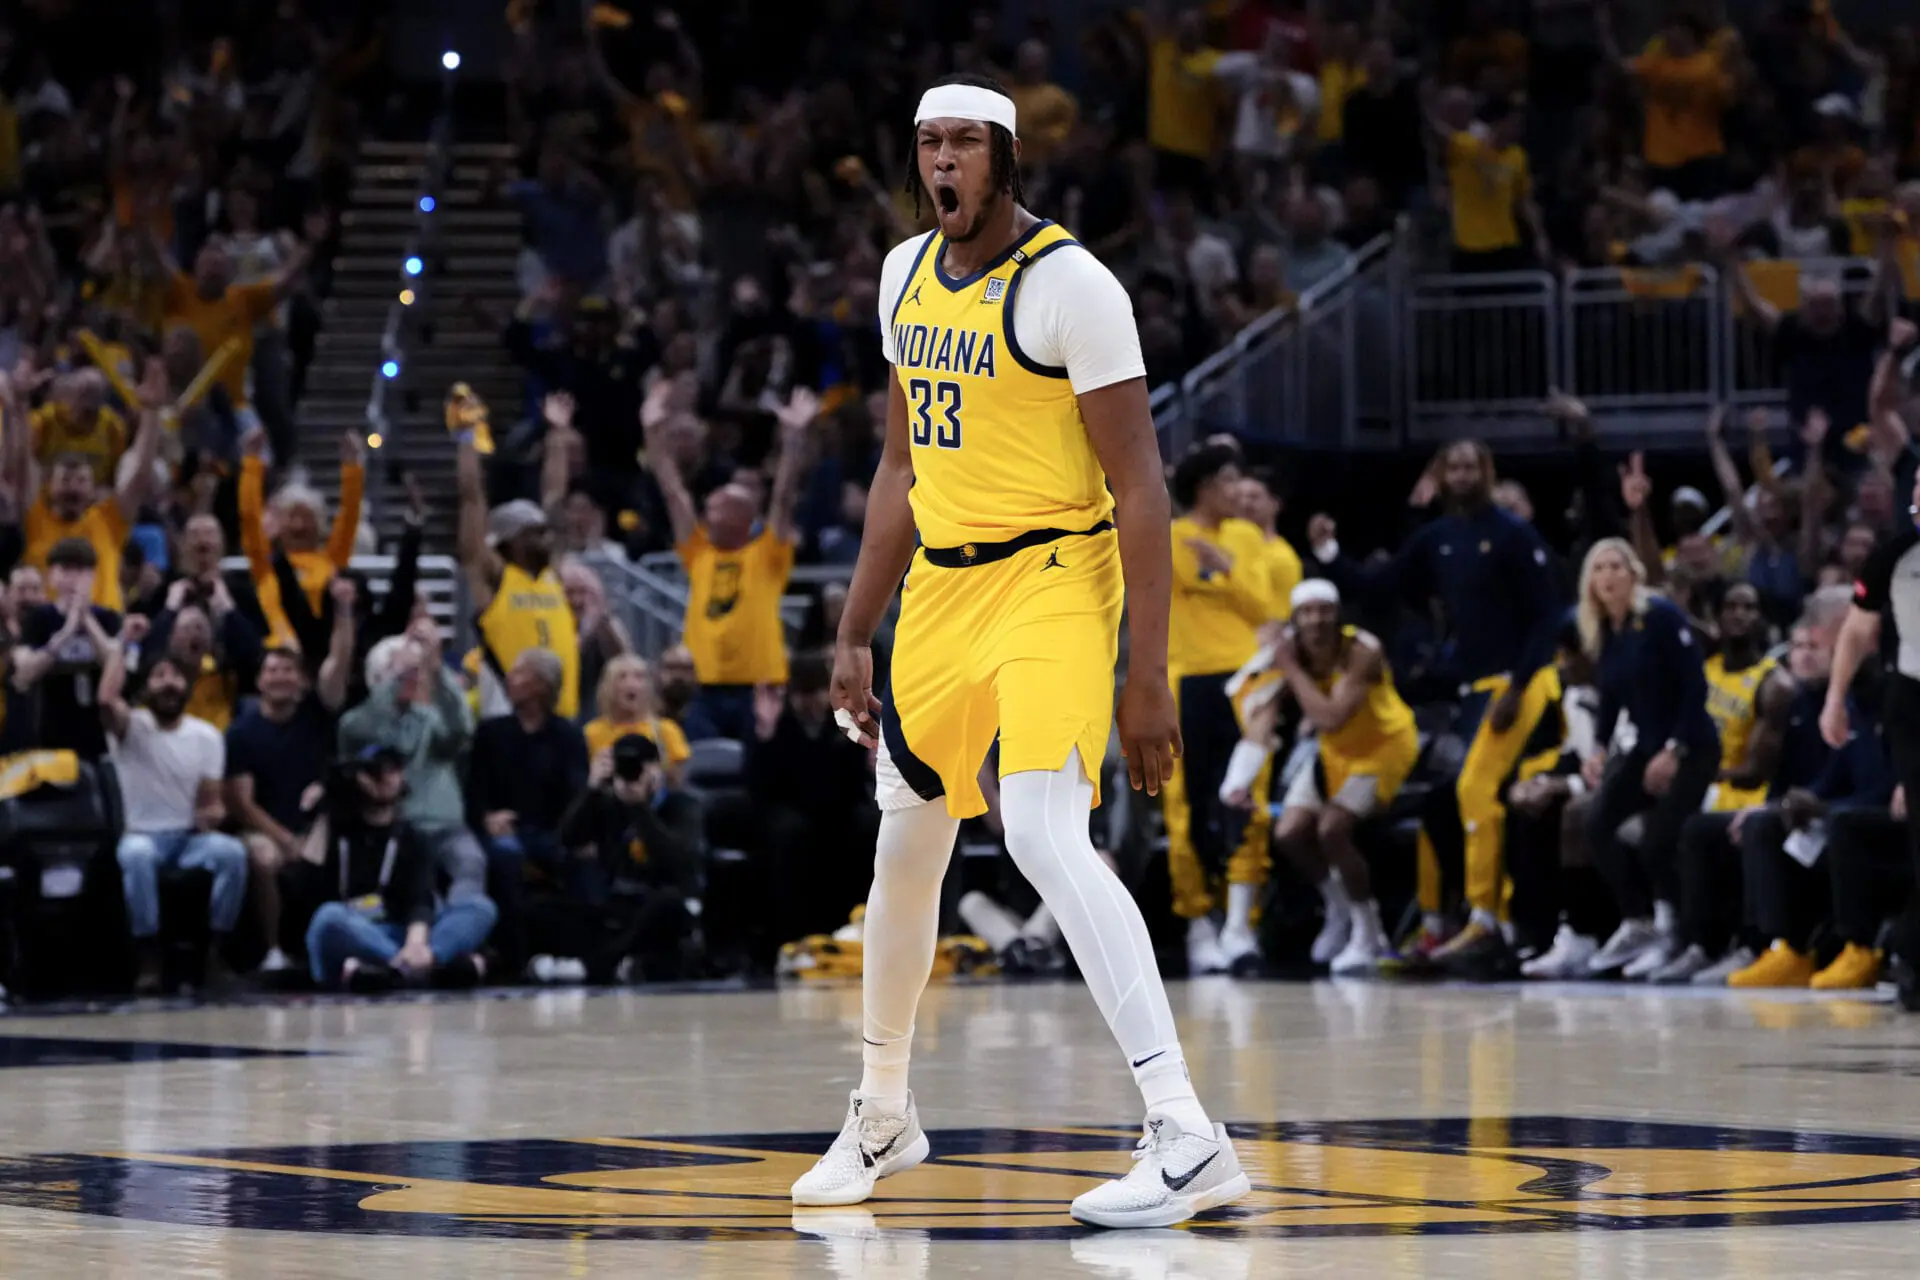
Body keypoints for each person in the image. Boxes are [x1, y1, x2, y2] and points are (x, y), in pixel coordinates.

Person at [795, 74, 1248, 1228]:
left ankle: (1186, 1131)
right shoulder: (902, 275)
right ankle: (883, 1110)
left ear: (1004, 158)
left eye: (963, 143)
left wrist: (1147, 672)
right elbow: (901, 465)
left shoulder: (1072, 287)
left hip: (1055, 574)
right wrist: (855, 623)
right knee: (907, 847)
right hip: (940, 593)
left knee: (1045, 828)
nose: (942, 160)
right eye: (927, 143)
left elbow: (1143, 487)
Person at [1310, 440, 1564, 968]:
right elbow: (1379, 585)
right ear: (1443, 476)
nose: (1464, 475)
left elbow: (1548, 618)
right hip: (1474, 691)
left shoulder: (1514, 535)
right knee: (1440, 800)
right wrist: (1330, 554)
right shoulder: (1438, 538)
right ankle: (1433, 925)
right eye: (1455, 467)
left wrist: (1517, 687)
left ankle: (1487, 922)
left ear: (1487, 472)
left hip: (1522, 684)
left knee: (1474, 789)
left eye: (1473, 466)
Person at [1252, 581, 1420, 974]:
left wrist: (1290, 669)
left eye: (1324, 610)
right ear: (1295, 619)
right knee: (1290, 832)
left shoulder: (1363, 650)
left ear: (1338, 613)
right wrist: (1241, 778)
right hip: (1337, 751)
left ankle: (1368, 932)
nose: (1317, 620)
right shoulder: (1289, 652)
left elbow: (1329, 717)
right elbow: (1260, 706)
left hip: (1383, 747)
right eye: (1307, 612)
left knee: (1332, 829)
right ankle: (1339, 908)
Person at [1577, 538, 1721, 977]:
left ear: (1633, 574)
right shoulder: (1608, 630)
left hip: (1691, 744)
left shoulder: (1659, 616)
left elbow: (1695, 686)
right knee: (1597, 822)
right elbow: (1612, 699)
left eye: (1616, 566)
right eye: (1598, 568)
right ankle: (1638, 920)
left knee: (1661, 837)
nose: (1607, 576)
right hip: (1644, 746)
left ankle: (1680, 933)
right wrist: (1599, 749)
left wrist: (1673, 750)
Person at [642, 377, 811, 741]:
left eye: (716, 507)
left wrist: (794, 437)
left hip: (759, 686)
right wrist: (651, 429)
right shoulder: (700, 551)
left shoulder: (767, 553)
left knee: (759, 770)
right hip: (702, 686)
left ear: (741, 515)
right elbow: (672, 491)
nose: (706, 512)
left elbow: (783, 497)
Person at [1163, 443, 1275, 974]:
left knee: (1247, 797)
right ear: (1204, 487)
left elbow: (1267, 610)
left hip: (1245, 680)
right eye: (1230, 481)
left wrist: (1227, 568)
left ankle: (1240, 924)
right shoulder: (1169, 538)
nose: (1239, 493)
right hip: (1187, 678)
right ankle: (1198, 923)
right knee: (1184, 806)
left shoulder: (1247, 538)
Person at [1822, 483, 1920, 1010]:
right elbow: (1857, 632)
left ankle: (1904, 942)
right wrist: (1834, 698)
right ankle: (1910, 959)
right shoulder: (1894, 555)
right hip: (1913, 701)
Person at [102, 646, 249, 995]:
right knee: (137, 857)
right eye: (160, 676)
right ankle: (148, 954)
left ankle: (216, 951)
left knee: (231, 853)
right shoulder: (131, 726)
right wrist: (118, 649)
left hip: (188, 838)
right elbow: (107, 700)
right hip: (143, 835)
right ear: (146, 686)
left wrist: (212, 814)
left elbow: (212, 802)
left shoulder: (208, 735)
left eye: (176, 676)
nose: (169, 684)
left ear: (188, 685)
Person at [226, 580, 356, 974]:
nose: (280, 676)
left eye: (288, 670)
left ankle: (338, 946)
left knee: (335, 848)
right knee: (263, 858)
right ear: (259, 681)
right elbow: (241, 803)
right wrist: (283, 838)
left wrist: (344, 613)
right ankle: (273, 948)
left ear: (300, 680)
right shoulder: (241, 732)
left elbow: (340, 661)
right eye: (272, 670)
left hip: (316, 823)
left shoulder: (315, 715)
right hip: (266, 827)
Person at [301, 745, 497, 991]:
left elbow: (420, 897)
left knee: (480, 907)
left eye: (393, 771)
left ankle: (402, 967)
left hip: (398, 935)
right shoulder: (338, 831)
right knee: (328, 917)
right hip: (354, 931)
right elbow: (306, 887)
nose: (385, 778)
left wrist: (416, 945)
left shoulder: (412, 838)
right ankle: (425, 970)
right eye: (375, 772)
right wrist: (326, 806)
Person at [338, 620, 487, 904]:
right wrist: (395, 685)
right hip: (398, 829)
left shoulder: (430, 718)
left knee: (471, 862)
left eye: (415, 673)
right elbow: (368, 734)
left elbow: (460, 729)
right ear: (379, 678)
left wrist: (438, 668)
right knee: (421, 886)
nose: (412, 679)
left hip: (447, 828)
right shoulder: (358, 724)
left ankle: (456, 931)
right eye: (403, 673)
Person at [6, 359, 168, 612]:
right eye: (65, 481)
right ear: (49, 486)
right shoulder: (35, 517)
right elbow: (22, 467)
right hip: (45, 635)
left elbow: (139, 477)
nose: (73, 488)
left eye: (81, 481)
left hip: (103, 630)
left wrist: (151, 412)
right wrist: (22, 403)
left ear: (93, 490)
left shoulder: (108, 519)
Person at [460, 390, 580, 721]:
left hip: (562, 719)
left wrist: (557, 434)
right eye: (533, 532)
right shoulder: (496, 579)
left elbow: (555, 495)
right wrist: (466, 438)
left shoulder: (550, 575)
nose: (544, 538)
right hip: (510, 719)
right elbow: (471, 499)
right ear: (509, 541)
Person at [470, 647, 590, 975]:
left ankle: (581, 954)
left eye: (520, 672)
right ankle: (514, 957)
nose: (510, 678)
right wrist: (486, 817)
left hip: (552, 831)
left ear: (540, 685)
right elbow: (474, 789)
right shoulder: (491, 733)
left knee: (582, 857)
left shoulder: (567, 735)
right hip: (503, 830)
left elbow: (575, 795)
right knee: (506, 855)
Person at [554, 732, 704, 982]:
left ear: (656, 769)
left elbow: (676, 859)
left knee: (666, 904)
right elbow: (567, 839)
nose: (630, 774)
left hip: (665, 905)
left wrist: (639, 807)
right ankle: (623, 962)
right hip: (620, 906)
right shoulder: (608, 805)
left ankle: (592, 967)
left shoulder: (682, 806)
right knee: (542, 909)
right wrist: (591, 789)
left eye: (637, 767)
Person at [237, 427, 363, 655]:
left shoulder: (332, 558)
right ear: (278, 525)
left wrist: (352, 465)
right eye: (292, 517)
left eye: (307, 518)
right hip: (275, 652)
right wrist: (252, 463)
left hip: (319, 651)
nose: (299, 526)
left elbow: (349, 514)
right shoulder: (265, 563)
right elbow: (250, 518)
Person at [10, 538, 124, 760]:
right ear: (52, 576)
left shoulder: (108, 619)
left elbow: (115, 665)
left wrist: (86, 620)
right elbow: (25, 673)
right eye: (65, 569)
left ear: (92, 576)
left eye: (80, 570)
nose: (72, 579)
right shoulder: (39, 619)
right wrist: (66, 632)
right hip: (48, 739)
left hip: (97, 740)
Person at [583, 654, 692, 786]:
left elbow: (680, 785)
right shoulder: (590, 734)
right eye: (622, 677)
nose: (631, 684)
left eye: (639, 677)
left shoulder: (667, 731)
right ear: (608, 688)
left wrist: (660, 773)